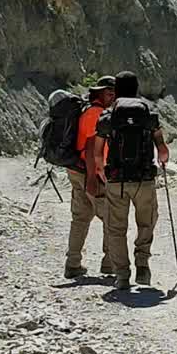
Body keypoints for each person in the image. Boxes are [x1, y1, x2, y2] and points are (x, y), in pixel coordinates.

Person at [91, 71, 170, 289]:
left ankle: (122, 275)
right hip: (144, 179)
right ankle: (142, 265)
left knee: (115, 228)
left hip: (117, 179)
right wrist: (162, 160)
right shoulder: (149, 113)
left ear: (116, 90)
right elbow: (162, 150)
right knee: (146, 222)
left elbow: (98, 152)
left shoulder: (109, 115)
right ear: (137, 88)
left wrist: (101, 171)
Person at [64, 75, 116, 279]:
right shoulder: (96, 114)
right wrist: (93, 179)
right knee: (111, 218)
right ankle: (109, 264)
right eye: (109, 93)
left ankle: (73, 263)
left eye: (115, 93)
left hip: (78, 170)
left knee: (80, 218)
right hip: (90, 172)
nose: (113, 97)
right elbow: (90, 146)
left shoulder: (88, 111)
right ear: (99, 93)